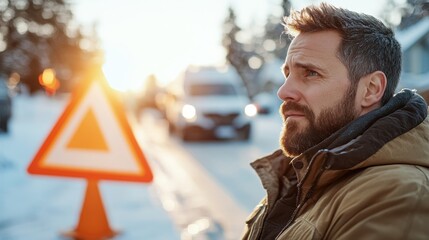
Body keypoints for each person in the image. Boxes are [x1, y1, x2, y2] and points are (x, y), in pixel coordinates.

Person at [242, 3, 429, 240]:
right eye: (287, 74)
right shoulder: (304, 175)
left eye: (310, 73)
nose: (283, 91)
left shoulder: (400, 194)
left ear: (370, 90)